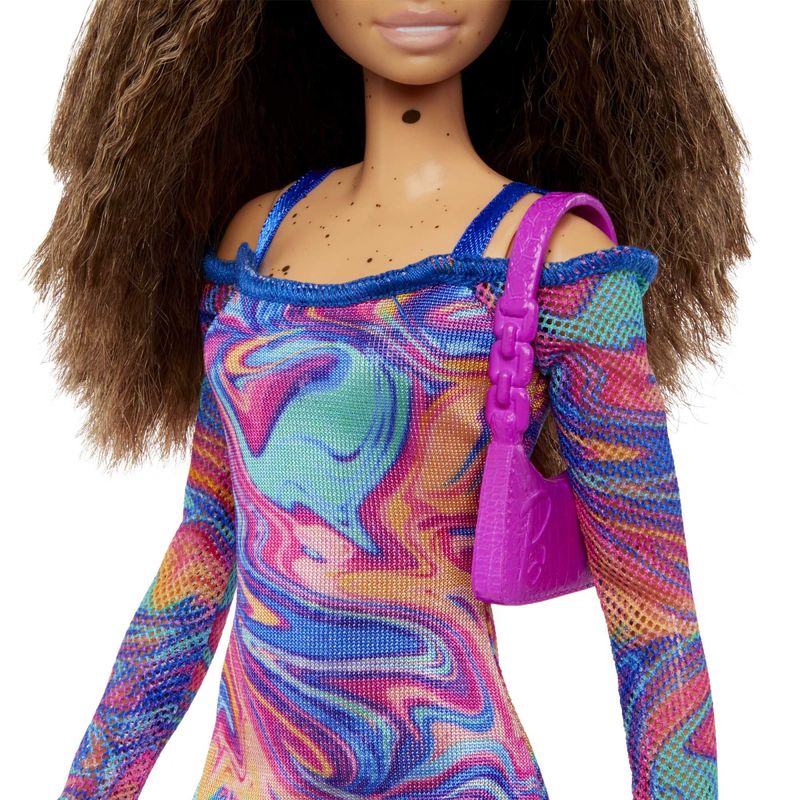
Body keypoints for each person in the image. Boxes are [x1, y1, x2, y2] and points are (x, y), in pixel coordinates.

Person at [29, 1, 749, 798]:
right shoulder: (252, 242)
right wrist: (94, 784)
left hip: (452, 773)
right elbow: (205, 545)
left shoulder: (561, 264)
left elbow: (654, 612)